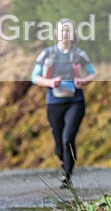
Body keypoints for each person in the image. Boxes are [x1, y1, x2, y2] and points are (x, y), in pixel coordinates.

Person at [31, 19, 96, 188]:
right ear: (56, 34)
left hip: (75, 101)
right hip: (54, 101)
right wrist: (50, 83)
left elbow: (92, 73)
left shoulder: (79, 54)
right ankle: (61, 158)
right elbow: (35, 77)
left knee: (68, 137)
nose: (65, 34)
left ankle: (67, 176)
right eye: (62, 31)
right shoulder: (47, 54)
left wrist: (83, 81)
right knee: (59, 144)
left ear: (72, 34)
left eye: (68, 31)